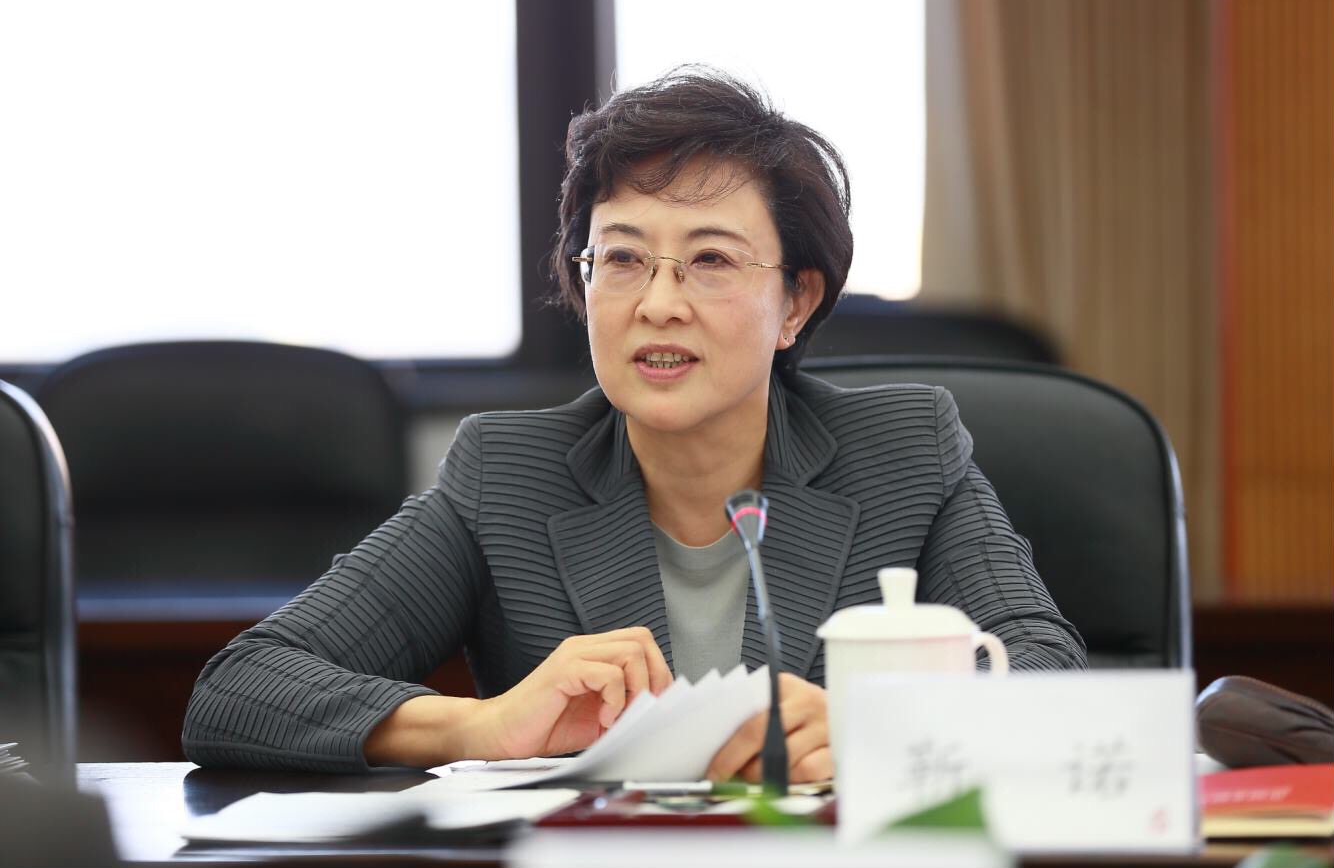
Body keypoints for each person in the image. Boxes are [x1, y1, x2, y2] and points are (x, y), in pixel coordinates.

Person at [182, 67, 1086, 782]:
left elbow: (1052, 673)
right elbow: (241, 689)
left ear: (795, 303)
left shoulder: (906, 453)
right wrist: (483, 725)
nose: (658, 304)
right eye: (621, 259)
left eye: (711, 261)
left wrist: (878, 725)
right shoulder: (508, 473)